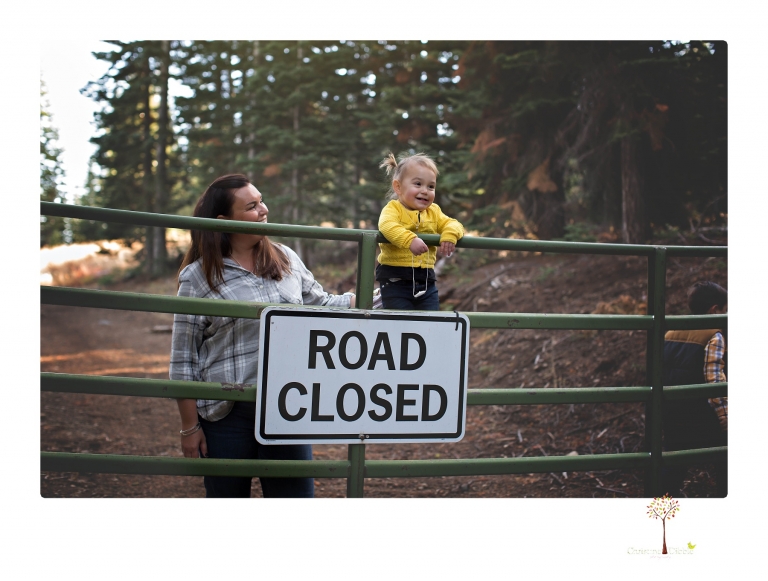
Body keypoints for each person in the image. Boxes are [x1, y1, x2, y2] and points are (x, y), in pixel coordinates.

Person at [169, 174, 355, 498]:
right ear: (224, 221)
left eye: (262, 201)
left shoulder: (284, 257)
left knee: (293, 499)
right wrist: (190, 427)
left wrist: (377, 295)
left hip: (288, 405)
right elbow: (184, 359)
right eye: (252, 206)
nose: (264, 210)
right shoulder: (198, 277)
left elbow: (322, 304)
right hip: (226, 410)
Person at [661, 280, 727, 497]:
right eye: (724, 310)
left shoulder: (670, 332)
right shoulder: (714, 335)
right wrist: (726, 420)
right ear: (714, 309)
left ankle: (664, 508)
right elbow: (714, 383)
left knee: (673, 467)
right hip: (700, 416)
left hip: (672, 413)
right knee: (726, 458)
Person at [376, 152, 464, 311]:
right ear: (398, 187)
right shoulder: (393, 209)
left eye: (431, 186)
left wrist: (449, 235)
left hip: (426, 282)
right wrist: (409, 240)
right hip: (395, 281)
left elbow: (454, 223)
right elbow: (387, 225)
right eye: (418, 184)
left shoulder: (434, 211)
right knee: (399, 323)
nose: (425, 191)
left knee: (428, 322)